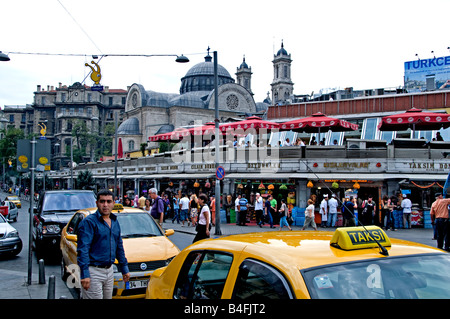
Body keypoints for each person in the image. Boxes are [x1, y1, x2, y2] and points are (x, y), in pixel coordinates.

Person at [77, 189, 130, 299]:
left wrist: (124, 268)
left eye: (108, 201)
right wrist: (85, 274)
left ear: (113, 203)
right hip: (93, 271)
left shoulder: (114, 221)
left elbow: (119, 246)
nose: (105, 205)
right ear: (97, 203)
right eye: (102, 201)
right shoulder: (89, 222)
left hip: (109, 271)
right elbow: (83, 249)